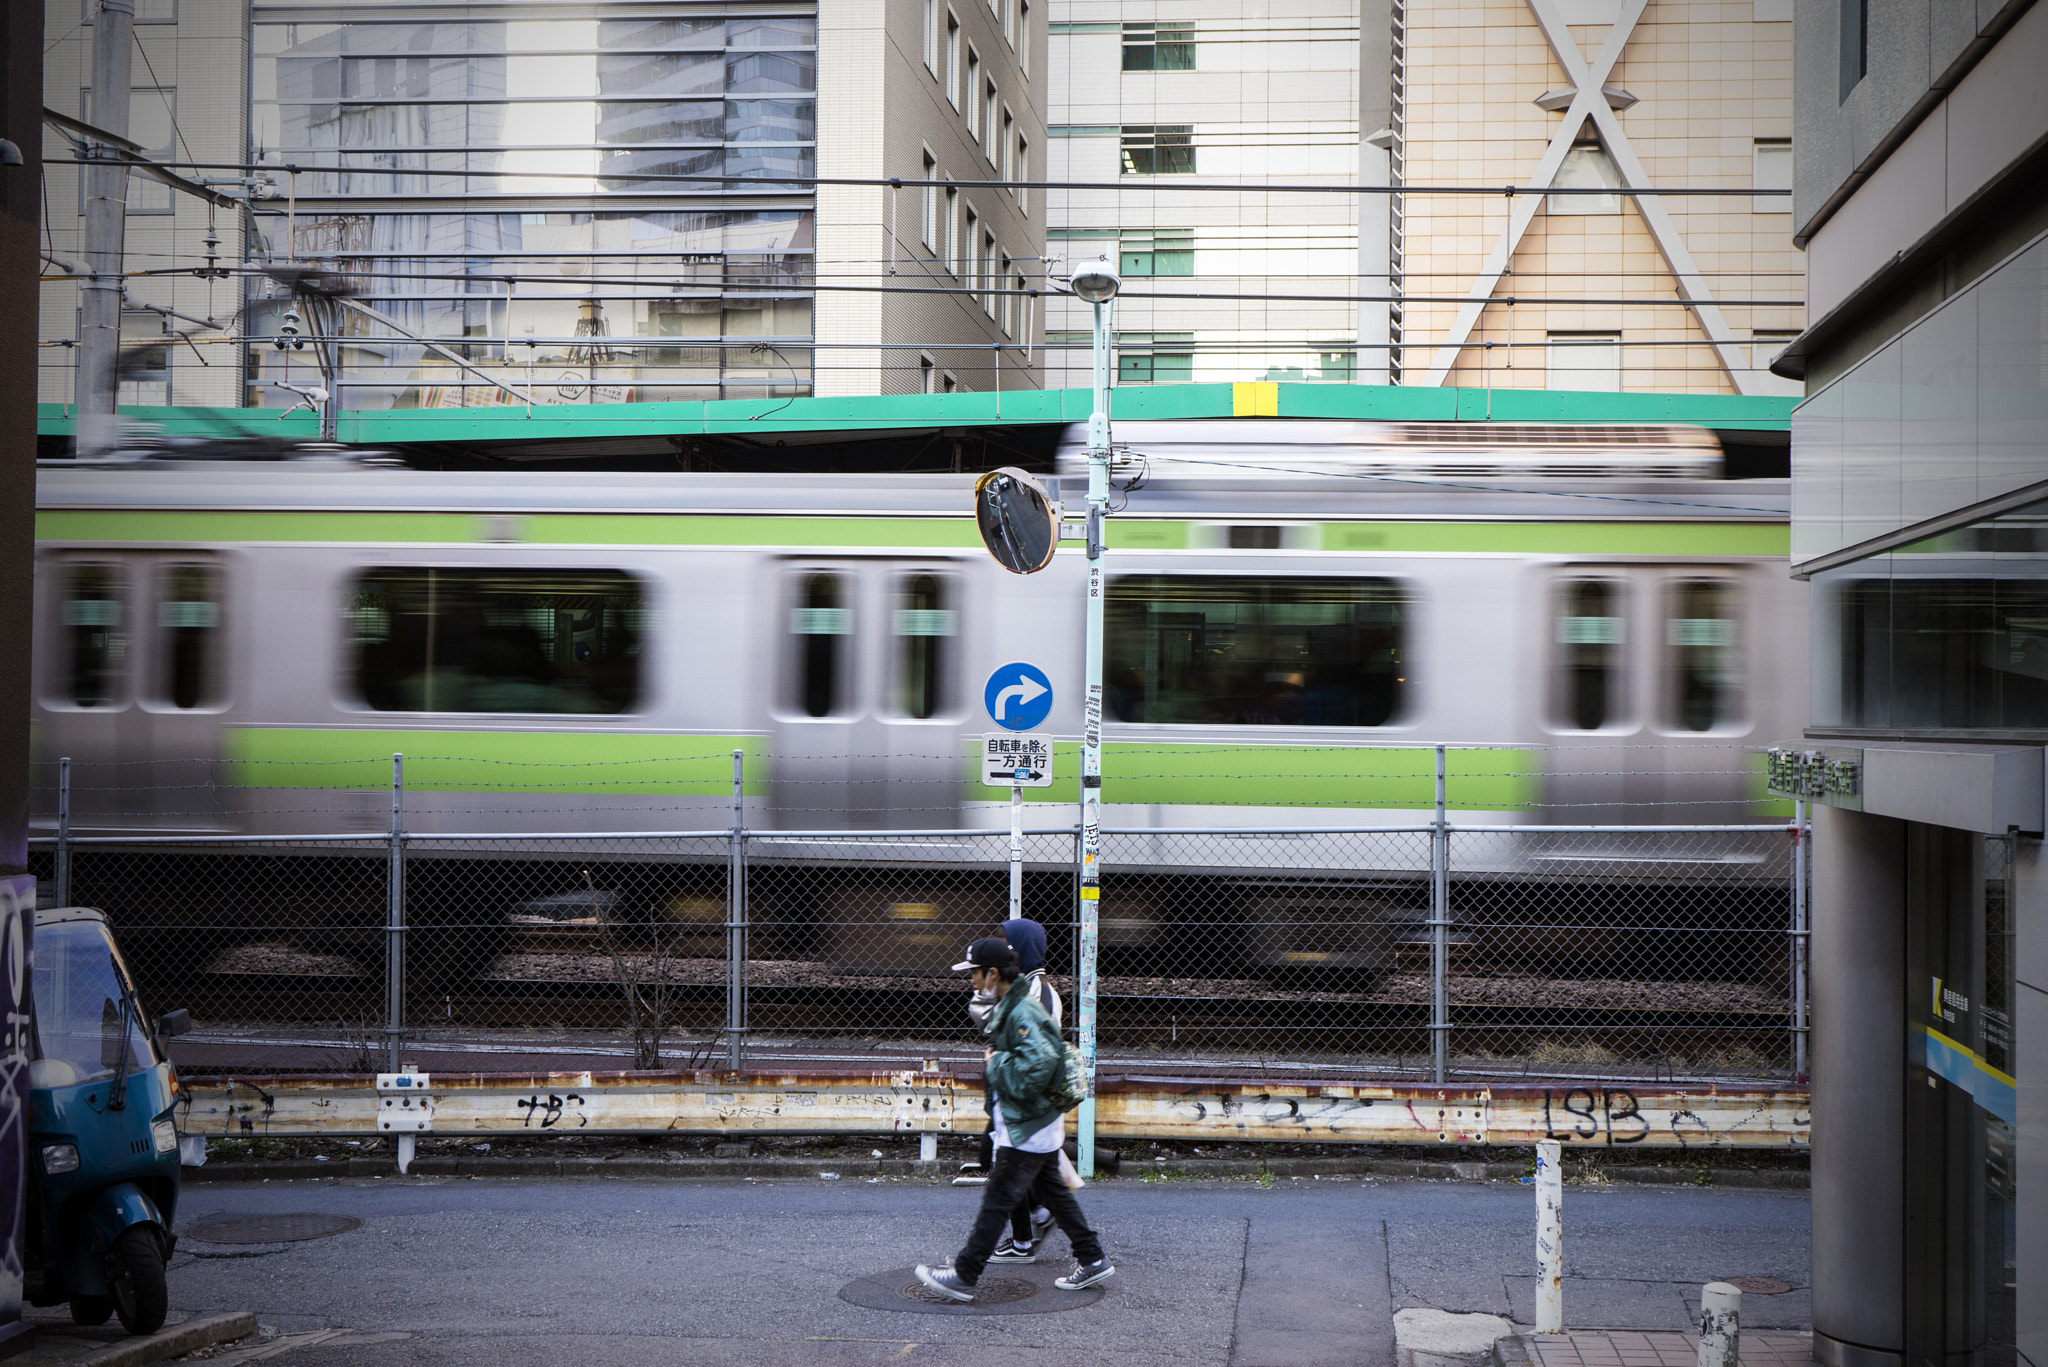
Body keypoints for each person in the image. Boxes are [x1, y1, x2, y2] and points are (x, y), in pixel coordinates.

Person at [916, 938, 1112, 1302]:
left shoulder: (1021, 1012)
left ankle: (964, 1274)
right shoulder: (1016, 1005)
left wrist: (996, 1064)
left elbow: (1035, 1067)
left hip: (1027, 1126)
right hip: (1036, 1123)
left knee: (997, 1200)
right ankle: (1093, 1257)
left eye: (974, 973)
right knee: (1054, 1193)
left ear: (992, 973)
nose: (971, 980)